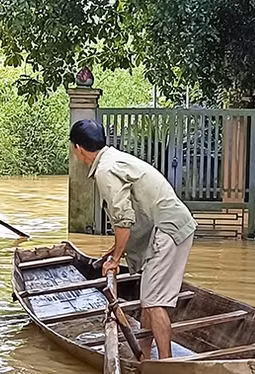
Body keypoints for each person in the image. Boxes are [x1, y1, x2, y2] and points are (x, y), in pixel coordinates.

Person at [69, 118, 197, 360]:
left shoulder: (105, 169)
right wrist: (113, 250)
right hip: (171, 226)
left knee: (153, 302)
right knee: (148, 299)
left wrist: (116, 259)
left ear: (78, 148)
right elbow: (131, 218)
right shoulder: (113, 158)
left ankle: (167, 364)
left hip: (167, 229)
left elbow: (123, 219)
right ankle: (145, 357)